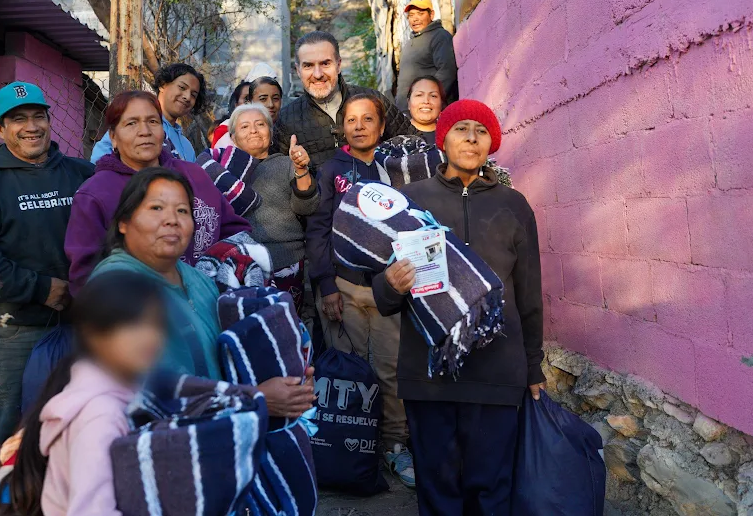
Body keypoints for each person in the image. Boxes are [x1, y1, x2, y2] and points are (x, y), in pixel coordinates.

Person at [372, 100, 546, 516]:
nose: (471, 137)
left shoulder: (514, 205)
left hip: (497, 372)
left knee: (491, 490)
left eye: (481, 130)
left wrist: (533, 366)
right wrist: (391, 284)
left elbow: (529, 294)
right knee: (438, 490)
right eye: (461, 128)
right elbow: (381, 293)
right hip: (428, 373)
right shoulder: (410, 203)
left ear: (492, 142)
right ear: (443, 139)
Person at [0, 81, 94, 514]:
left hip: (82, 327)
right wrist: (42, 288)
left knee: (78, 432)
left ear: (50, 121)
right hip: (16, 329)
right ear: (0, 128)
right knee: (3, 441)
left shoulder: (80, 173)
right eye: (18, 119)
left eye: (38, 116)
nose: (31, 127)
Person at [89, 167, 315, 413]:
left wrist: (290, 382)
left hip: (217, 432)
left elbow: (226, 359)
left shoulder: (198, 279)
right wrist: (257, 397)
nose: (172, 219)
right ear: (124, 223)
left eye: (182, 210)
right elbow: (145, 392)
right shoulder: (115, 283)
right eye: (156, 208)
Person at [305, 92, 414, 488]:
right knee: (346, 370)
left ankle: (393, 445)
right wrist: (326, 285)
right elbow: (317, 229)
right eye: (352, 119)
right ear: (342, 127)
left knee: (390, 368)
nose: (360, 126)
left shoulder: (393, 170)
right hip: (343, 288)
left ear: (382, 127)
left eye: (368, 119)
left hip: (387, 291)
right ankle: (342, 446)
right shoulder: (331, 169)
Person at [0, 270, 166, 516]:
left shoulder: (82, 380)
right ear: (94, 335)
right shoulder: (100, 417)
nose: (150, 337)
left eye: (156, 323)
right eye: (131, 326)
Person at [65, 90, 251, 295]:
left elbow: (235, 232)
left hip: (209, 304)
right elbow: (85, 276)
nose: (144, 131)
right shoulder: (94, 194)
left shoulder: (193, 174)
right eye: (131, 123)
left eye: (153, 121)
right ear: (113, 137)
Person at [275, 31, 410, 169]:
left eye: (325, 63)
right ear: (298, 70)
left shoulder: (373, 100)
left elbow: (413, 143)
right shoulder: (286, 119)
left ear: (338, 65)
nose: (317, 74)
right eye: (308, 66)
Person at [228, 102, 318, 309]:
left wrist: (301, 169)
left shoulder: (286, 163)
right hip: (242, 265)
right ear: (233, 138)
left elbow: (306, 208)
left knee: (287, 325)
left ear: (270, 132)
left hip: (286, 261)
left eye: (260, 124)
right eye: (244, 126)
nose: (253, 130)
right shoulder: (225, 171)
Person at [90, 63, 209, 163]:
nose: (187, 97)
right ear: (163, 85)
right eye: (182, 88)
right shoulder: (135, 122)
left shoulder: (187, 147)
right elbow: (99, 160)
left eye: (193, 95)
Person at [394, 0, 458, 110]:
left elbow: (447, 71)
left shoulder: (439, 36)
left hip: (427, 110)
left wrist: (426, 100)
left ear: (431, 15)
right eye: (411, 15)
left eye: (420, 13)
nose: (415, 19)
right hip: (407, 112)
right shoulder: (409, 43)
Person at [405, 75, 444, 145]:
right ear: (408, 103)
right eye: (419, 95)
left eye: (433, 96)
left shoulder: (449, 137)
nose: (426, 101)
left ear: (441, 103)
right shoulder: (396, 134)